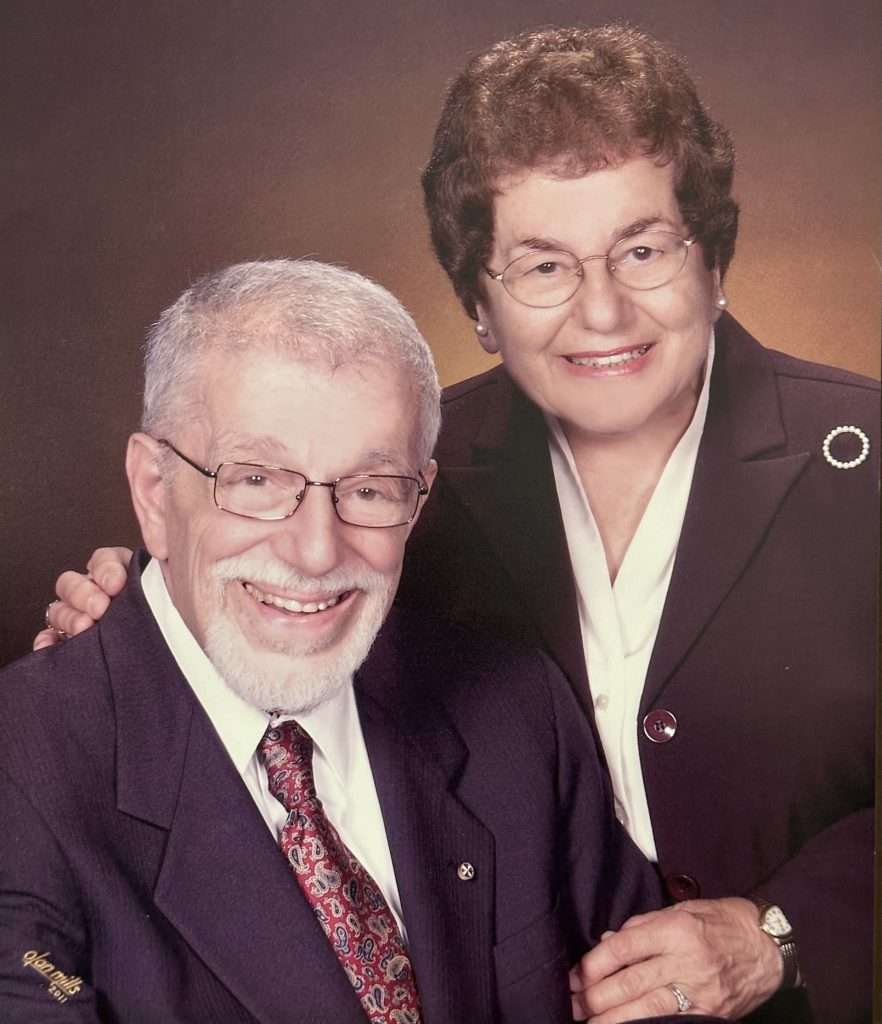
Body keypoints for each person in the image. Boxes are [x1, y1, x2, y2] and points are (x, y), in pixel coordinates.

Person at [37, 25, 877, 1024]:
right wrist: (137, 613)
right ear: (480, 304)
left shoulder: (865, 458)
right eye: (543, 266)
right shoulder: (386, 476)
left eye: (644, 250)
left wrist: (783, 932)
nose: (603, 311)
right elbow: (248, 594)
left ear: (715, 260)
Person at [3, 259, 726, 1024]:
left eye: (371, 489)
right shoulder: (22, 772)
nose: (317, 551)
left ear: (418, 500)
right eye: (256, 481)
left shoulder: (513, 708)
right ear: (154, 491)